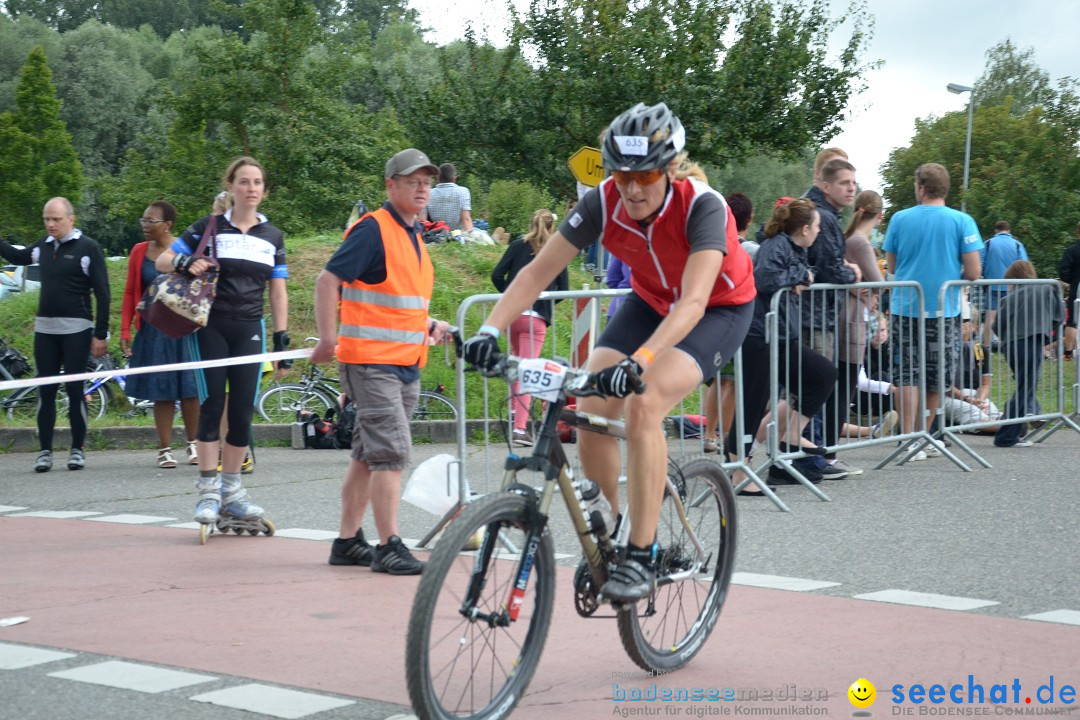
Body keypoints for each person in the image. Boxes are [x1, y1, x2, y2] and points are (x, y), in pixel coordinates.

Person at [463, 102, 756, 602]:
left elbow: (692, 302)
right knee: (589, 404)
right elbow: (535, 273)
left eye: (644, 176)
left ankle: (641, 554)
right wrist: (488, 331)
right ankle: (619, 529)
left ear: (668, 171)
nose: (633, 188)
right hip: (649, 301)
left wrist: (640, 362)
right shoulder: (602, 201)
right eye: (622, 175)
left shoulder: (703, 206)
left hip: (714, 310)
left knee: (643, 402)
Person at [312, 148, 452, 576]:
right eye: (412, 181)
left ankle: (347, 540)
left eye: (427, 181)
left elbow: (392, 299)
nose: (422, 188)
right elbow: (327, 279)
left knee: (366, 454)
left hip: (402, 361)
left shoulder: (412, 235)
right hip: (372, 363)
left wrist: (428, 323)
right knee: (390, 452)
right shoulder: (373, 229)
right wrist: (327, 339)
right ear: (391, 185)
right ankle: (390, 544)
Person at [155, 157, 290, 526]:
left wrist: (281, 338)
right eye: (243, 181)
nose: (251, 188)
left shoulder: (272, 237)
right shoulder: (209, 226)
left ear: (264, 190)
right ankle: (208, 490)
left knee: (243, 412)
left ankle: (232, 491)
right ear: (230, 187)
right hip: (211, 326)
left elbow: (278, 292)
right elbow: (163, 259)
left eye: (257, 182)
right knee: (212, 406)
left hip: (250, 327)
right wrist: (185, 264)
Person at [726, 198, 837, 493]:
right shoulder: (776, 245)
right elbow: (763, 278)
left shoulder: (794, 247)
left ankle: (787, 433)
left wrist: (802, 275)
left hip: (781, 335)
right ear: (803, 229)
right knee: (751, 403)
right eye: (816, 227)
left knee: (822, 374)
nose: (818, 231)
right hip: (759, 335)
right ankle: (738, 471)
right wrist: (800, 276)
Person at [0, 197, 110, 472]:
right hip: (45, 331)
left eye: (56, 220)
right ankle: (45, 451)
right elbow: (18, 257)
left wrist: (100, 334)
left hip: (77, 330)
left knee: (74, 390)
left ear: (71, 219)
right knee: (46, 391)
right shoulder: (43, 246)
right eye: (46, 219)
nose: (50, 224)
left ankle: (77, 449)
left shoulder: (88, 248)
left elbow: (103, 293)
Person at [883, 163, 982, 459]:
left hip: (905, 307)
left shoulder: (899, 219)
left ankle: (908, 439)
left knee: (907, 374)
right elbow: (975, 271)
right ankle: (924, 436)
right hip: (945, 310)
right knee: (936, 375)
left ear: (922, 187)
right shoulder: (962, 221)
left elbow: (892, 266)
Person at [119, 200, 200, 468]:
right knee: (161, 390)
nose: (145, 225)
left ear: (168, 225)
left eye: (151, 221)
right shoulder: (138, 252)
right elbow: (131, 291)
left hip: (182, 329)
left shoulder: (184, 249)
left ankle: (193, 444)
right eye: (143, 220)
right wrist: (125, 328)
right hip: (152, 332)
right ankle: (164, 449)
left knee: (190, 389)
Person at [491, 209, 569, 446]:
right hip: (535, 319)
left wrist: (511, 295)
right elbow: (563, 289)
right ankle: (520, 429)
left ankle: (516, 413)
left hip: (513, 316)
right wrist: (543, 302)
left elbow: (497, 275)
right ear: (552, 229)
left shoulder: (516, 246)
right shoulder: (555, 251)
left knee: (518, 364)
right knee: (528, 372)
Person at [992, 261, 1063, 448]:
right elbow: (1058, 317)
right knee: (1026, 389)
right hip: (1032, 341)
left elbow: (997, 326)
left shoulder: (1009, 298)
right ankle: (1007, 436)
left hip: (1011, 345)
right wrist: (1045, 333)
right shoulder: (1047, 288)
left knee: (1025, 388)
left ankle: (1017, 424)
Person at [980, 221, 1029, 348]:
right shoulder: (1017, 244)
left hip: (992, 285)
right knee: (1014, 317)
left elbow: (981, 263)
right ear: (1009, 230)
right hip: (1013, 286)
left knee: (990, 316)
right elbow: (1024, 266)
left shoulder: (989, 243)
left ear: (996, 230)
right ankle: (1012, 344)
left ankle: (986, 345)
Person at [421, 163, 473, 231]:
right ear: (454, 179)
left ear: (438, 177)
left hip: (437, 234)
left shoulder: (428, 193)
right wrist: (470, 237)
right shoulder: (463, 191)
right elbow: (466, 219)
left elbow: (422, 221)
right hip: (459, 235)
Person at [1057, 221, 1080, 359]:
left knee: (1073, 321)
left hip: (1077, 288)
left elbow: (1063, 271)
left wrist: (1072, 281)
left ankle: (1069, 352)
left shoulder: (1072, 250)